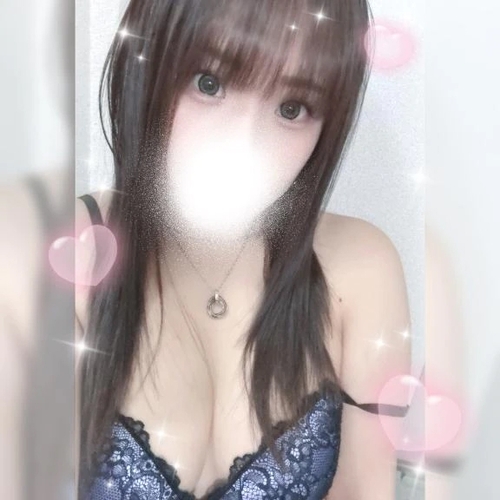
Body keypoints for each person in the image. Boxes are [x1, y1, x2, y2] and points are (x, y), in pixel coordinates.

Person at [76, 0, 412, 498]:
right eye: (208, 83)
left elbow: (365, 490)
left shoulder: (360, 269)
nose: (243, 146)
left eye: (292, 109)